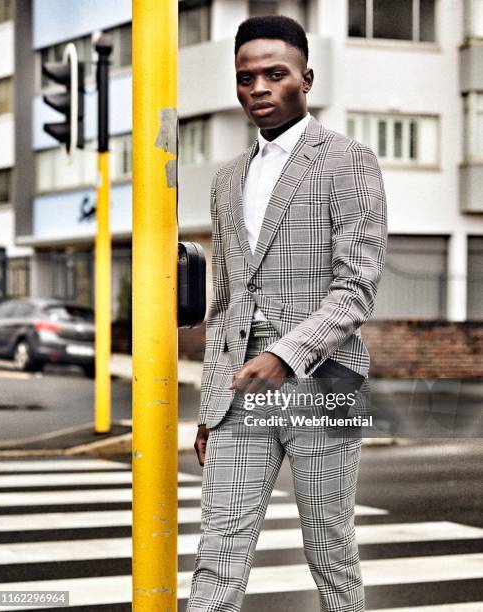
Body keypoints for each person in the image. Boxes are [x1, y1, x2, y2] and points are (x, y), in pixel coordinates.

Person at [187, 15, 387, 612]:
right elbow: (225, 301)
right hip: (237, 391)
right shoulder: (227, 179)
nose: (259, 89)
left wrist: (284, 354)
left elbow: (356, 287)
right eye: (246, 78)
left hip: (323, 382)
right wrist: (208, 407)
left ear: (306, 77)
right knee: (218, 550)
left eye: (276, 74)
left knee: (329, 547)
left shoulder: (350, 162)